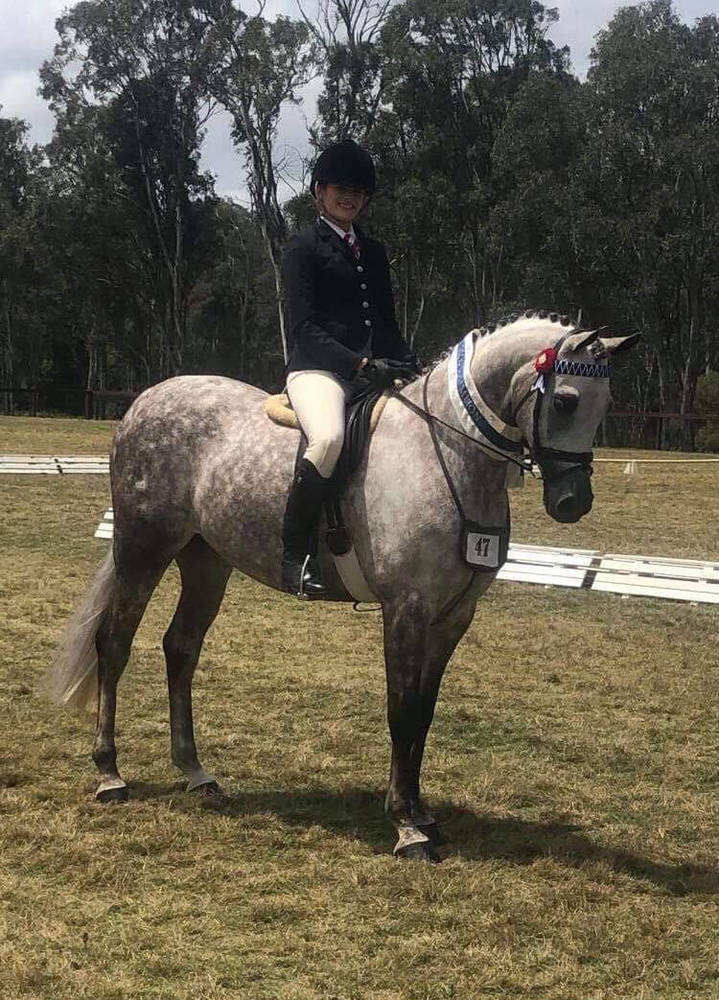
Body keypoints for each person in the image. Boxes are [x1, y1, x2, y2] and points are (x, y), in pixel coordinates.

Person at [280, 139, 420, 599]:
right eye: (342, 189)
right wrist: (358, 362)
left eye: (358, 191)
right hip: (317, 372)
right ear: (319, 191)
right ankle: (295, 554)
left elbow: (385, 324)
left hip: (370, 371)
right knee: (328, 439)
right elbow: (303, 329)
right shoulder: (302, 247)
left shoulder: (373, 252)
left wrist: (409, 362)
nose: (350, 198)